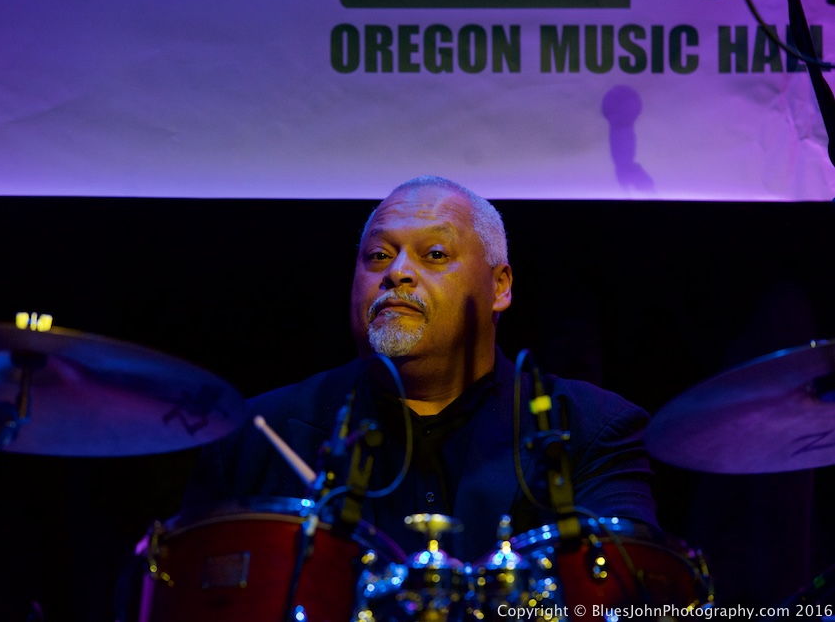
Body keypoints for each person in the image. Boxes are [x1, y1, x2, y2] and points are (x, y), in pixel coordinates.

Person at [183, 175, 657, 564]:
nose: (398, 273)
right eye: (378, 256)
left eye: (434, 255)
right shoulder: (254, 439)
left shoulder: (590, 432)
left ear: (500, 286)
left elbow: (633, 595)